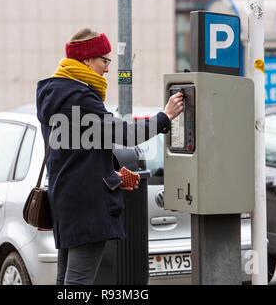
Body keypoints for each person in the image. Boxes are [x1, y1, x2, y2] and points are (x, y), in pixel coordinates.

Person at [36, 28, 183, 285]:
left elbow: (72, 151)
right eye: (104, 60)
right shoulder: (80, 98)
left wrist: (108, 172)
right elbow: (125, 134)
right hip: (87, 205)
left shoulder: (55, 94)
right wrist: (165, 117)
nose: (107, 68)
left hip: (65, 198)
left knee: (65, 280)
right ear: (85, 61)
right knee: (78, 283)